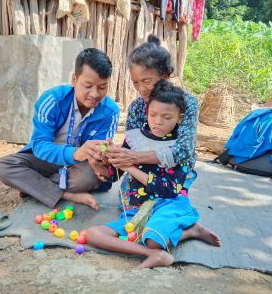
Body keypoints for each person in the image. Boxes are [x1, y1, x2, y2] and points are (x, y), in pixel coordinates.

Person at [100, 35, 221, 247]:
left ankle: (181, 224)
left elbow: (183, 151)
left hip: (174, 170)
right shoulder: (138, 106)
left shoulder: (187, 103)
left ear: (165, 75)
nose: (141, 88)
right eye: (136, 82)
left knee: (166, 200)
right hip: (142, 168)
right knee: (131, 207)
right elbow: (132, 143)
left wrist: (133, 158)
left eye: (147, 81)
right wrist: (114, 155)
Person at [86, 81, 210, 268]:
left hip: (168, 204)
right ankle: (152, 254)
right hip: (135, 208)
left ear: (179, 118)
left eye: (166, 117)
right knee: (93, 234)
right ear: (147, 113)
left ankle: (189, 231)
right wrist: (106, 159)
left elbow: (168, 189)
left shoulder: (177, 149)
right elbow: (114, 174)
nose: (158, 121)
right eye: (153, 115)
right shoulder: (135, 138)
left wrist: (129, 166)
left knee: (152, 237)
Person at [0, 48, 120, 210]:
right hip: (46, 160)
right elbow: (39, 145)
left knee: (88, 178)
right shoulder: (51, 100)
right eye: (88, 86)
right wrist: (74, 153)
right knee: (3, 167)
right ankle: (66, 194)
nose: (95, 94)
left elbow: (100, 157)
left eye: (102, 87)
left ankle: (35, 187)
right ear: (74, 80)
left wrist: (102, 157)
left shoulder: (111, 111)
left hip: (79, 167)